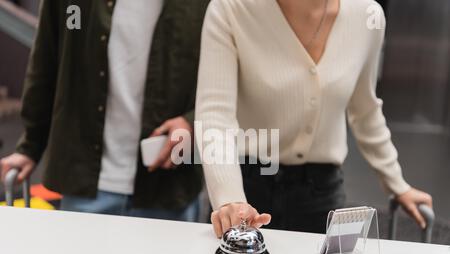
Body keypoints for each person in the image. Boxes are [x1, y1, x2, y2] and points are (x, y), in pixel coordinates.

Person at [195, 0, 433, 237]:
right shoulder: (231, 8)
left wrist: (397, 184)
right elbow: (215, 114)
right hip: (246, 189)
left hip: (322, 193)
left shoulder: (367, 16)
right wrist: (230, 199)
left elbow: (365, 109)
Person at [0, 0, 210, 220]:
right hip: (87, 185)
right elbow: (47, 58)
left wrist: (192, 121)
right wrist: (30, 146)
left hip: (170, 188)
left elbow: (233, 80)